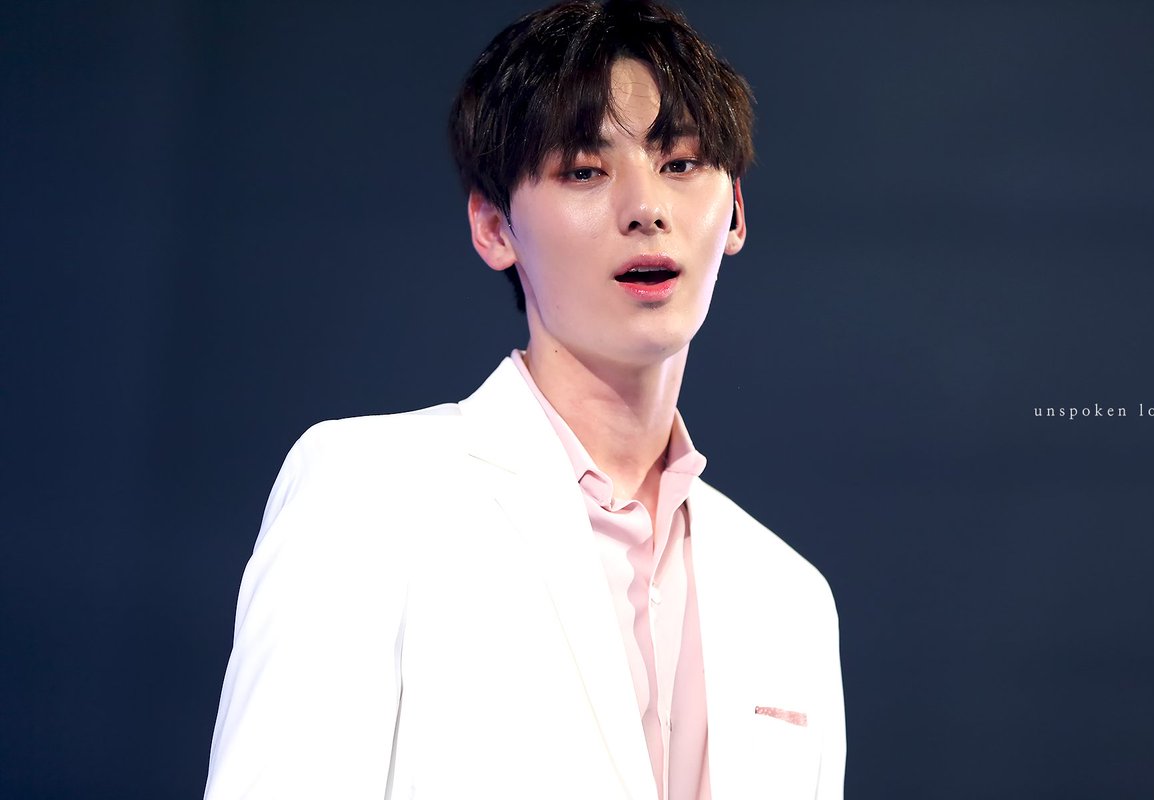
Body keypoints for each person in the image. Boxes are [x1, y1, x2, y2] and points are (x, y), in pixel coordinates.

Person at [204, 1, 844, 798]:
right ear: (493, 227)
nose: (646, 208)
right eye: (585, 170)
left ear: (736, 211)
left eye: (680, 164)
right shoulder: (369, 494)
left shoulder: (789, 598)